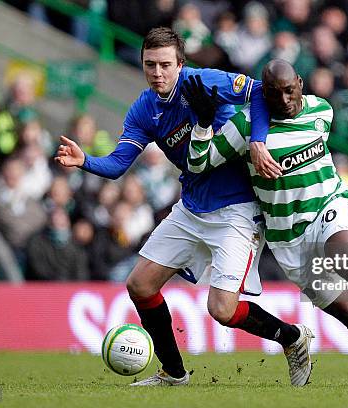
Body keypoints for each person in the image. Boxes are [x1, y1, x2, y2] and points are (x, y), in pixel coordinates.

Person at [55, 27, 312, 387]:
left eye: (164, 65)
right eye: (149, 65)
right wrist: (86, 160)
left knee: (221, 309)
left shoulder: (205, 82)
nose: (156, 73)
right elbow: (117, 166)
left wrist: (258, 141)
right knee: (140, 285)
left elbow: (258, 91)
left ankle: (291, 337)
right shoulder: (144, 110)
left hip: (236, 209)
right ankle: (174, 373)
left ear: (180, 65)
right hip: (191, 207)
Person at [185, 59, 348, 387]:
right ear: (262, 94)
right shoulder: (244, 128)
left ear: (300, 83)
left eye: (289, 90)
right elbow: (199, 164)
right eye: (274, 93)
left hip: (329, 207)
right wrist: (202, 124)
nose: (284, 100)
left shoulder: (321, 111)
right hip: (288, 240)